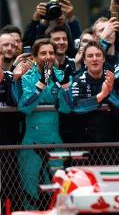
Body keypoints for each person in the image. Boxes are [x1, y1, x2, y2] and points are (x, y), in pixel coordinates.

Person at [17, 38, 72, 209]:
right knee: (30, 191)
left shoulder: (61, 75)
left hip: (55, 141)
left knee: (57, 191)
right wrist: (41, 83)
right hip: (31, 143)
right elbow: (25, 106)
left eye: (50, 53)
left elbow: (66, 108)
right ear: (34, 57)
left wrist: (63, 87)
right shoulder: (27, 78)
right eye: (43, 53)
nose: (47, 56)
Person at [71, 41, 119, 142]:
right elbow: (75, 108)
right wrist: (102, 95)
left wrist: (110, 92)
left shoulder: (112, 78)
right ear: (84, 60)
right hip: (84, 139)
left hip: (111, 140)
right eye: (90, 56)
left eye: (98, 55)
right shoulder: (77, 80)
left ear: (104, 59)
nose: (94, 59)